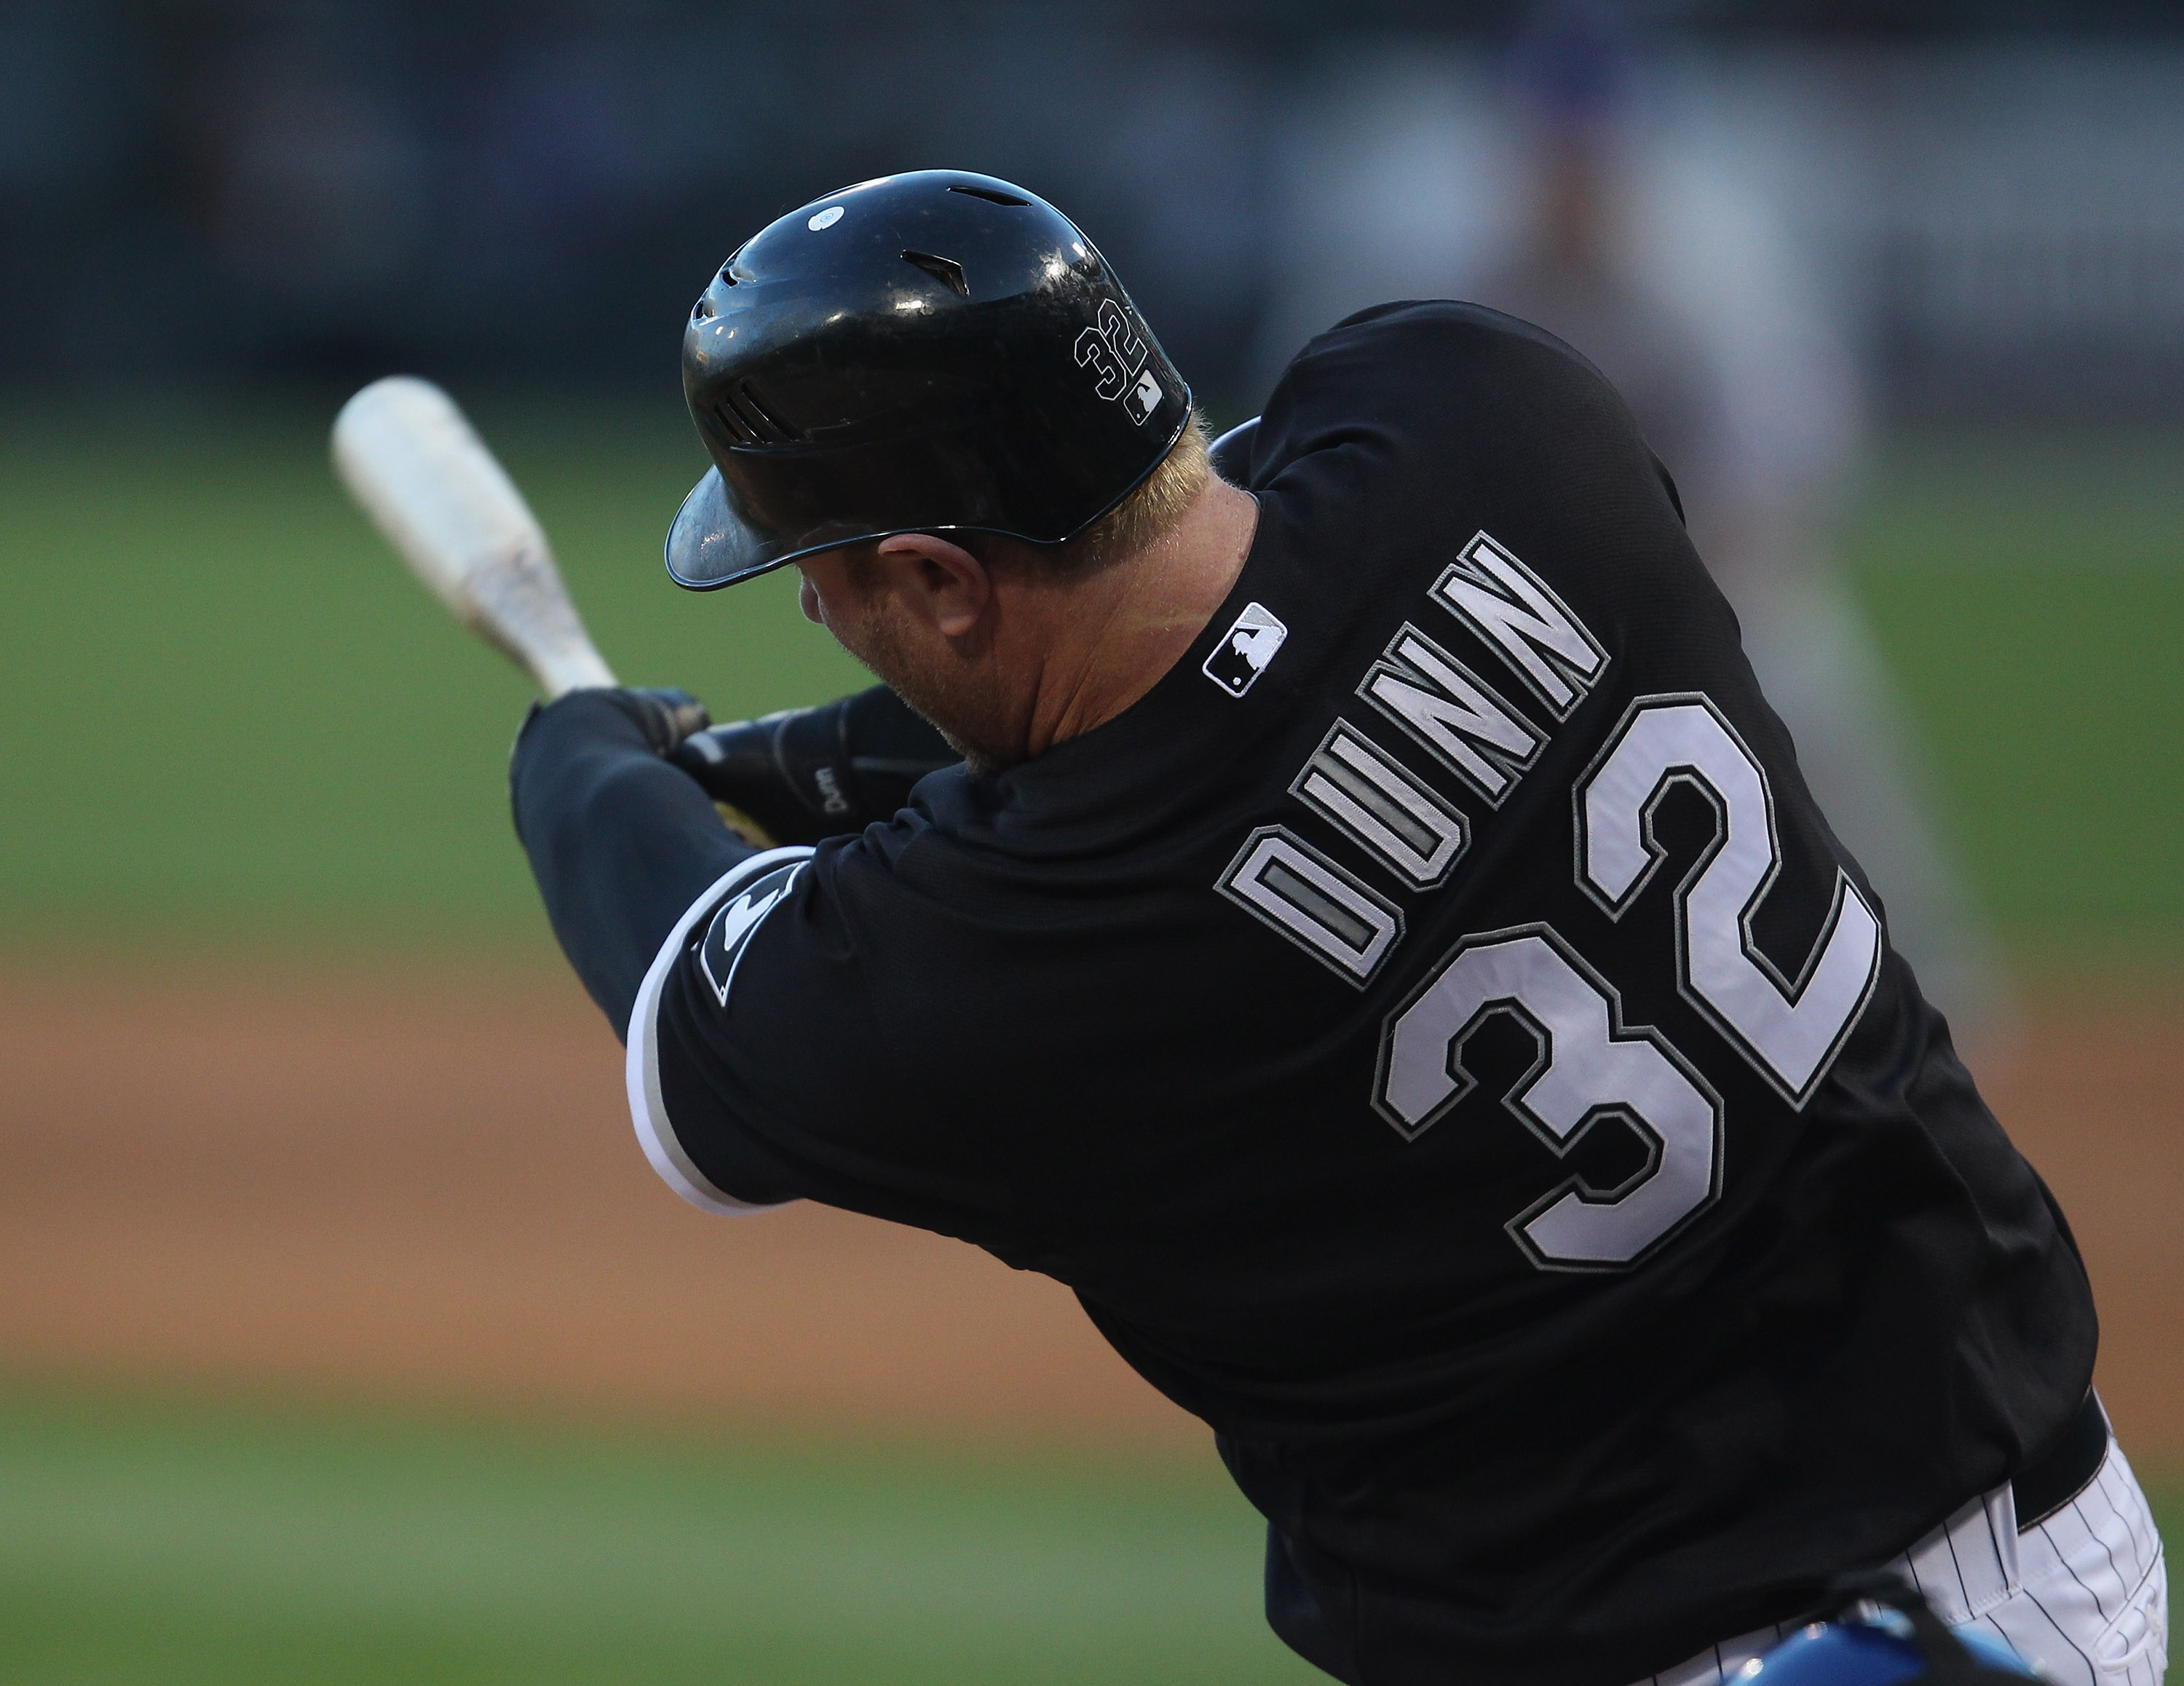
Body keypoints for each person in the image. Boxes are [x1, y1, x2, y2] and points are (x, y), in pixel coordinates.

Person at [509, 170, 2162, 1686]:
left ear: (944, 585)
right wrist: (794, 758)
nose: (808, 604)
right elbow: (1246, 637)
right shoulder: (1487, 409)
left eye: (827, 569)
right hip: (2043, 1535)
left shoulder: (1020, 960)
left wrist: (578, 765)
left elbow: (689, 997)